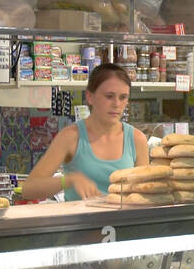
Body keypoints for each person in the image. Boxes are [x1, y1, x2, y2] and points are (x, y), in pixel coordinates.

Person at [20, 63, 149, 200]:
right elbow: (29, 189)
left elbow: (145, 192)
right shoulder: (71, 136)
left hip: (125, 221)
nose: (117, 104)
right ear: (89, 97)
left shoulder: (136, 139)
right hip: (80, 221)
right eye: (109, 96)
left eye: (123, 97)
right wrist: (69, 180)